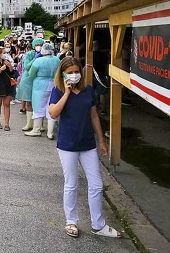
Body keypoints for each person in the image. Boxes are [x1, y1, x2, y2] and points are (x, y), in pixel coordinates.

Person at [49, 56, 122, 239]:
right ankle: (71, 221)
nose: (74, 75)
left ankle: (98, 224)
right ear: (63, 74)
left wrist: (102, 140)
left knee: (96, 185)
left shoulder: (88, 90)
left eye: (76, 72)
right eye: (70, 73)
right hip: (67, 145)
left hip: (87, 144)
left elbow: (94, 116)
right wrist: (66, 93)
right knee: (71, 184)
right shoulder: (58, 91)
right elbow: (53, 113)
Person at [24, 43, 60, 139]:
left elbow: (31, 74)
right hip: (53, 85)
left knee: (38, 107)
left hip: (40, 86)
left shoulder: (38, 61)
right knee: (51, 107)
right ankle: (50, 132)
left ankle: (36, 129)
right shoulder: (57, 60)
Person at [16, 37, 44, 131]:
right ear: (33, 46)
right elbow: (27, 67)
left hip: (39, 80)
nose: (39, 47)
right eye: (37, 45)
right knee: (29, 102)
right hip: (28, 80)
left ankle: (40, 125)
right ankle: (29, 124)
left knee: (40, 103)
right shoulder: (29, 55)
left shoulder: (45, 55)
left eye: (40, 45)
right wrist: (35, 59)